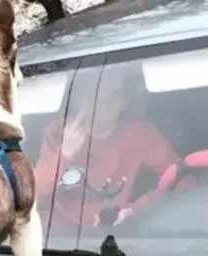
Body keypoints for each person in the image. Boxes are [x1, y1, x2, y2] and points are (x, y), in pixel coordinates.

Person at [34, 66, 180, 230]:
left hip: (116, 233)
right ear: (79, 100)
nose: (102, 106)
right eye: (94, 96)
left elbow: (181, 177)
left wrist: (137, 210)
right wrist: (64, 154)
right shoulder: (58, 132)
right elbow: (32, 195)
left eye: (113, 97)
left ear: (123, 102)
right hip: (60, 238)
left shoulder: (139, 132)